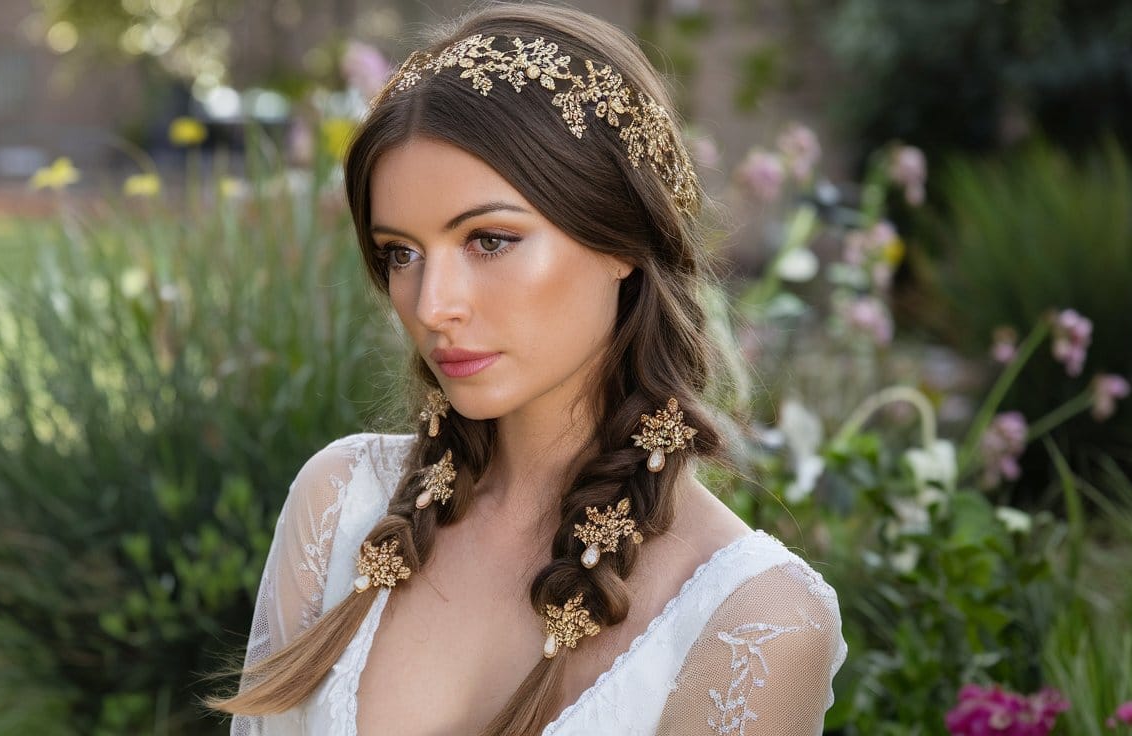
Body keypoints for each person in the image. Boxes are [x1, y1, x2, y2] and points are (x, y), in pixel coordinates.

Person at [211, 4, 846, 734]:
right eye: (400, 253)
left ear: (621, 240)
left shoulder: (754, 622)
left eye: (488, 239)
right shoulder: (338, 508)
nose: (432, 305)